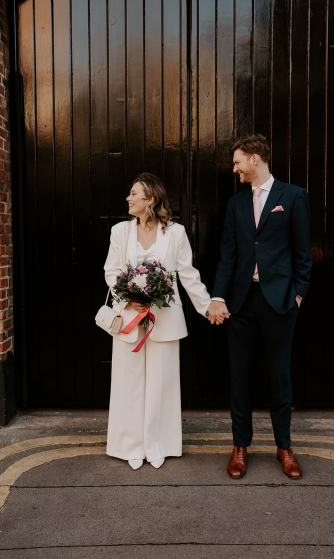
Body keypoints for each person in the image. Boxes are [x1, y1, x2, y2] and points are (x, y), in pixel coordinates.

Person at [207, 134, 312, 480]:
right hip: (240, 303)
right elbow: (228, 255)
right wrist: (218, 297)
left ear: (255, 158)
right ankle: (240, 446)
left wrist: (297, 294)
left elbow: (303, 253)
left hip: (280, 301)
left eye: (238, 161)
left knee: (279, 376)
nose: (234, 168)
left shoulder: (293, 197)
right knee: (240, 376)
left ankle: (284, 447)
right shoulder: (236, 205)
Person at [103, 173, 211, 470]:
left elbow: (187, 274)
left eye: (134, 193)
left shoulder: (175, 233)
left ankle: (157, 444)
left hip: (165, 317)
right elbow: (111, 271)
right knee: (128, 383)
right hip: (130, 317)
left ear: (150, 198)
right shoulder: (120, 231)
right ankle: (130, 445)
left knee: (161, 384)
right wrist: (128, 296)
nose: (129, 198)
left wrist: (207, 305)